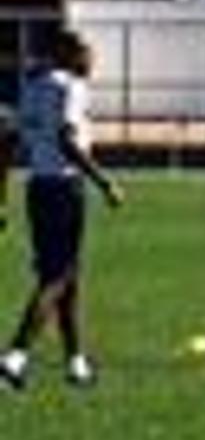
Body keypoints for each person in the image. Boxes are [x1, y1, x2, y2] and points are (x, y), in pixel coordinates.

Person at [0, 29, 124, 391]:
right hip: (65, 187)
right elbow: (67, 141)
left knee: (66, 275)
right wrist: (104, 183)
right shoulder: (70, 87)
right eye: (86, 53)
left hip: (37, 186)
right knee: (57, 277)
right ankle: (15, 356)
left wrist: (3, 199)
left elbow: (8, 141)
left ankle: (76, 363)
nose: (91, 60)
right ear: (68, 54)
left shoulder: (33, 85)